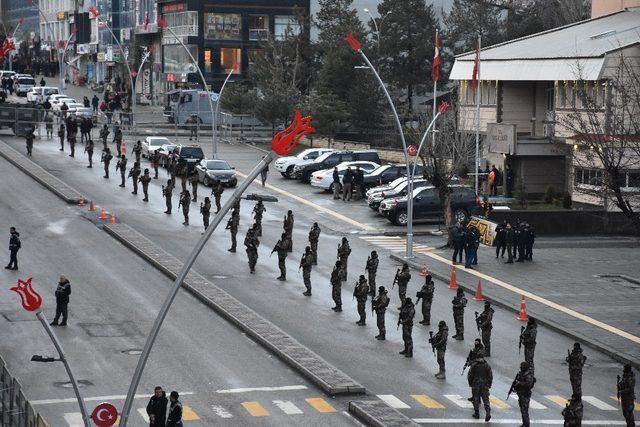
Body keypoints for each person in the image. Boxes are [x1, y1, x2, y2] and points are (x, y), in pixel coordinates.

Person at [468, 356, 492, 422]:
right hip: (485, 384)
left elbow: (470, 375)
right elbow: (490, 375)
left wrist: (470, 383)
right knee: (486, 400)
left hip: (476, 384)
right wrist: (489, 384)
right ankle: (488, 413)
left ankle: (477, 413)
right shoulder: (487, 365)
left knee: (476, 399)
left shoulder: (474, 365)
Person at [512, 361, 536, 427]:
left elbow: (528, 385)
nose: (520, 368)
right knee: (522, 410)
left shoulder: (528, 375)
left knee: (525, 410)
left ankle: (527, 424)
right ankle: (524, 423)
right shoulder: (521, 374)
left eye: (522, 367)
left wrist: (520, 383)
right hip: (521, 394)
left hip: (525, 395)